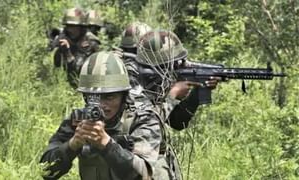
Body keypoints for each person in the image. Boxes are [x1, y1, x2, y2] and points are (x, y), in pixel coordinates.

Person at [40, 51, 162, 180]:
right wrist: (72, 146)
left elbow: (144, 175)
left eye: (109, 97)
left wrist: (106, 144)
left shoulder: (143, 119)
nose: (101, 105)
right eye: (94, 98)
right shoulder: (79, 120)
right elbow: (46, 171)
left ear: (123, 96)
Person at [135, 30, 221, 180]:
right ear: (160, 66)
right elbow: (147, 125)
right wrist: (172, 96)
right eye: (177, 63)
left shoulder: (154, 88)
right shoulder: (132, 88)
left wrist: (199, 88)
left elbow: (177, 122)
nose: (181, 66)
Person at [52, 7, 100, 88]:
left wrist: (68, 52)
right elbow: (57, 65)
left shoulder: (89, 42)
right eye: (68, 26)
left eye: (73, 26)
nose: (70, 30)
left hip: (88, 86)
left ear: (81, 27)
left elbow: (78, 71)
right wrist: (60, 48)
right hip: (68, 86)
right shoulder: (67, 37)